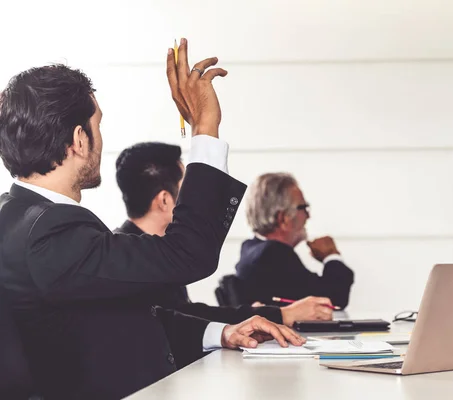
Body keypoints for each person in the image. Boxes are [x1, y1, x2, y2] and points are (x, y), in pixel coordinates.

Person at [0, 39, 303, 400]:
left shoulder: (19, 216)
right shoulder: (49, 232)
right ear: (80, 139)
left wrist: (221, 332)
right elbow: (188, 253)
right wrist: (205, 128)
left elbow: (114, 321)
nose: (100, 138)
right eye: (97, 126)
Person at [114, 141, 335, 327]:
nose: (196, 199)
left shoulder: (147, 249)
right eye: (188, 189)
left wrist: (253, 313)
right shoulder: (132, 259)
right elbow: (182, 319)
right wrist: (282, 315)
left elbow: (187, 313)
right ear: (164, 200)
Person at [235, 173, 354, 308]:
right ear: (283, 218)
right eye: (303, 207)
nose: (308, 215)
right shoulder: (274, 253)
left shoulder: (250, 247)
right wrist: (331, 255)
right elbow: (334, 299)